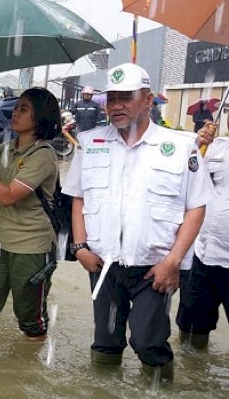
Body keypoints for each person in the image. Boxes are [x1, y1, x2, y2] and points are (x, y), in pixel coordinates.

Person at [62, 63, 213, 383]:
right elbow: (79, 198)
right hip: (102, 264)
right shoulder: (90, 143)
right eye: (112, 98)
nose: (116, 106)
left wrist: (173, 261)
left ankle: (160, 388)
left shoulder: (179, 147)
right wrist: (80, 247)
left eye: (126, 97)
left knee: (149, 343)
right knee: (104, 347)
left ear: (147, 100)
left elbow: (196, 207)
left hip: (154, 268)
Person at [0, 87, 61, 340]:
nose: (15, 113)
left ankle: (28, 369)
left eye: (24, 109)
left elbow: (7, 196)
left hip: (32, 247)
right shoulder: (5, 149)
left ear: (40, 117)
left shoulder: (44, 155)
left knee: (30, 319)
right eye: (16, 107)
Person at [176, 121, 228, 350]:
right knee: (191, 331)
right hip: (201, 254)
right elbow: (182, 174)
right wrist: (196, 144)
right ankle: (194, 375)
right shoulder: (215, 147)